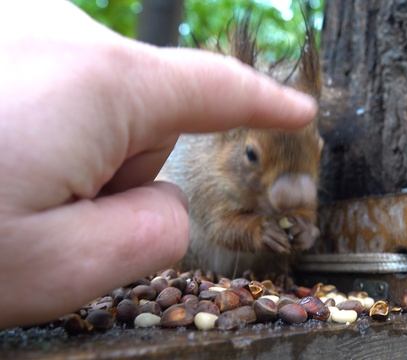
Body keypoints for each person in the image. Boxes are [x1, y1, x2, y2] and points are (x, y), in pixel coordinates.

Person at [0, 0, 317, 329]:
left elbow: (302, 217)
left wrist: (303, 229)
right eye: (252, 157)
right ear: (232, 141)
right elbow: (218, 224)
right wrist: (254, 230)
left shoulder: (297, 161)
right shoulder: (214, 169)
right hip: (197, 262)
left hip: (256, 287)